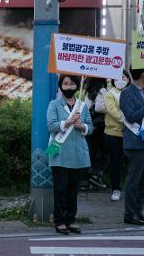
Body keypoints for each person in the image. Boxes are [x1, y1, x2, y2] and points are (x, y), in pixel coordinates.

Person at [47, 74, 93, 235]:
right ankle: (59, 221)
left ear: (76, 86)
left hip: (78, 154)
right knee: (60, 190)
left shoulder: (82, 105)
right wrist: (67, 122)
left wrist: (81, 126)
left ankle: (71, 220)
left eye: (72, 84)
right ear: (60, 86)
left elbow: (90, 127)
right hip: (59, 153)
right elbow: (51, 126)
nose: (69, 87)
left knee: (73, 191)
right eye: (65, 84)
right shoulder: (54, 104)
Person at [120, 67, 144, 225]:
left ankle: (138, 211)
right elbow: (130, 116)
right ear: (142, 73)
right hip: (135, 141)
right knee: (134, 180)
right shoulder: (127, 92)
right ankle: (130, 213)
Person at [104, 69, 131, 201]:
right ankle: (116, 189)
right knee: (116, 162)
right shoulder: (110, 93)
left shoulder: (133, 92)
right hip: (113, 133)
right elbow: (112, 110)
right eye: (118, 77)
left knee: (132, 162)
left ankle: (133, 188)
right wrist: (129, 119)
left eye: (124, 77)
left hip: (131, 133)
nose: (121, 80)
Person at [84, 78, 108, 189]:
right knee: (104, 151)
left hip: (90, 125)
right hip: (99, 126)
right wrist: (110, 107)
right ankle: (95, 175)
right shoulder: (102, 90)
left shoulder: (88, 90)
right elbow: (99, 108)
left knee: (92, 152)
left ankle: (90, 179)